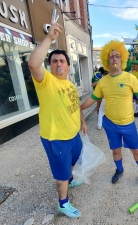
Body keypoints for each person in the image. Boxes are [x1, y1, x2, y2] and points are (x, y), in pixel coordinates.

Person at [81, 40, 138, 190]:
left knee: (136, 150)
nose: (114, 59)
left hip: (128, 124)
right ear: (107, 60)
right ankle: (119, 169)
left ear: (122, 58)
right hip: (110, 123)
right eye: (111, 57)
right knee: (116, 150)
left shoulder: (130, 78)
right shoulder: (103, 81)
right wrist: (79, 107)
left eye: (117, 56)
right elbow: (93, 99)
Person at [28, 20, 87, 218]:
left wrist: (83, 123)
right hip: (56, 138)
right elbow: (33, 63)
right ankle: (63, 203)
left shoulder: (70, 85)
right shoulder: (46, 81)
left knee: (72, 161)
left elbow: (74, 106)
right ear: (50, 66)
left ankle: (69, 180)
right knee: (61, 172)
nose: (58, 64)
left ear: (68, 66)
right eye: (54, 61)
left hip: (73, 135)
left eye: (62, 61)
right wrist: (49, 38)